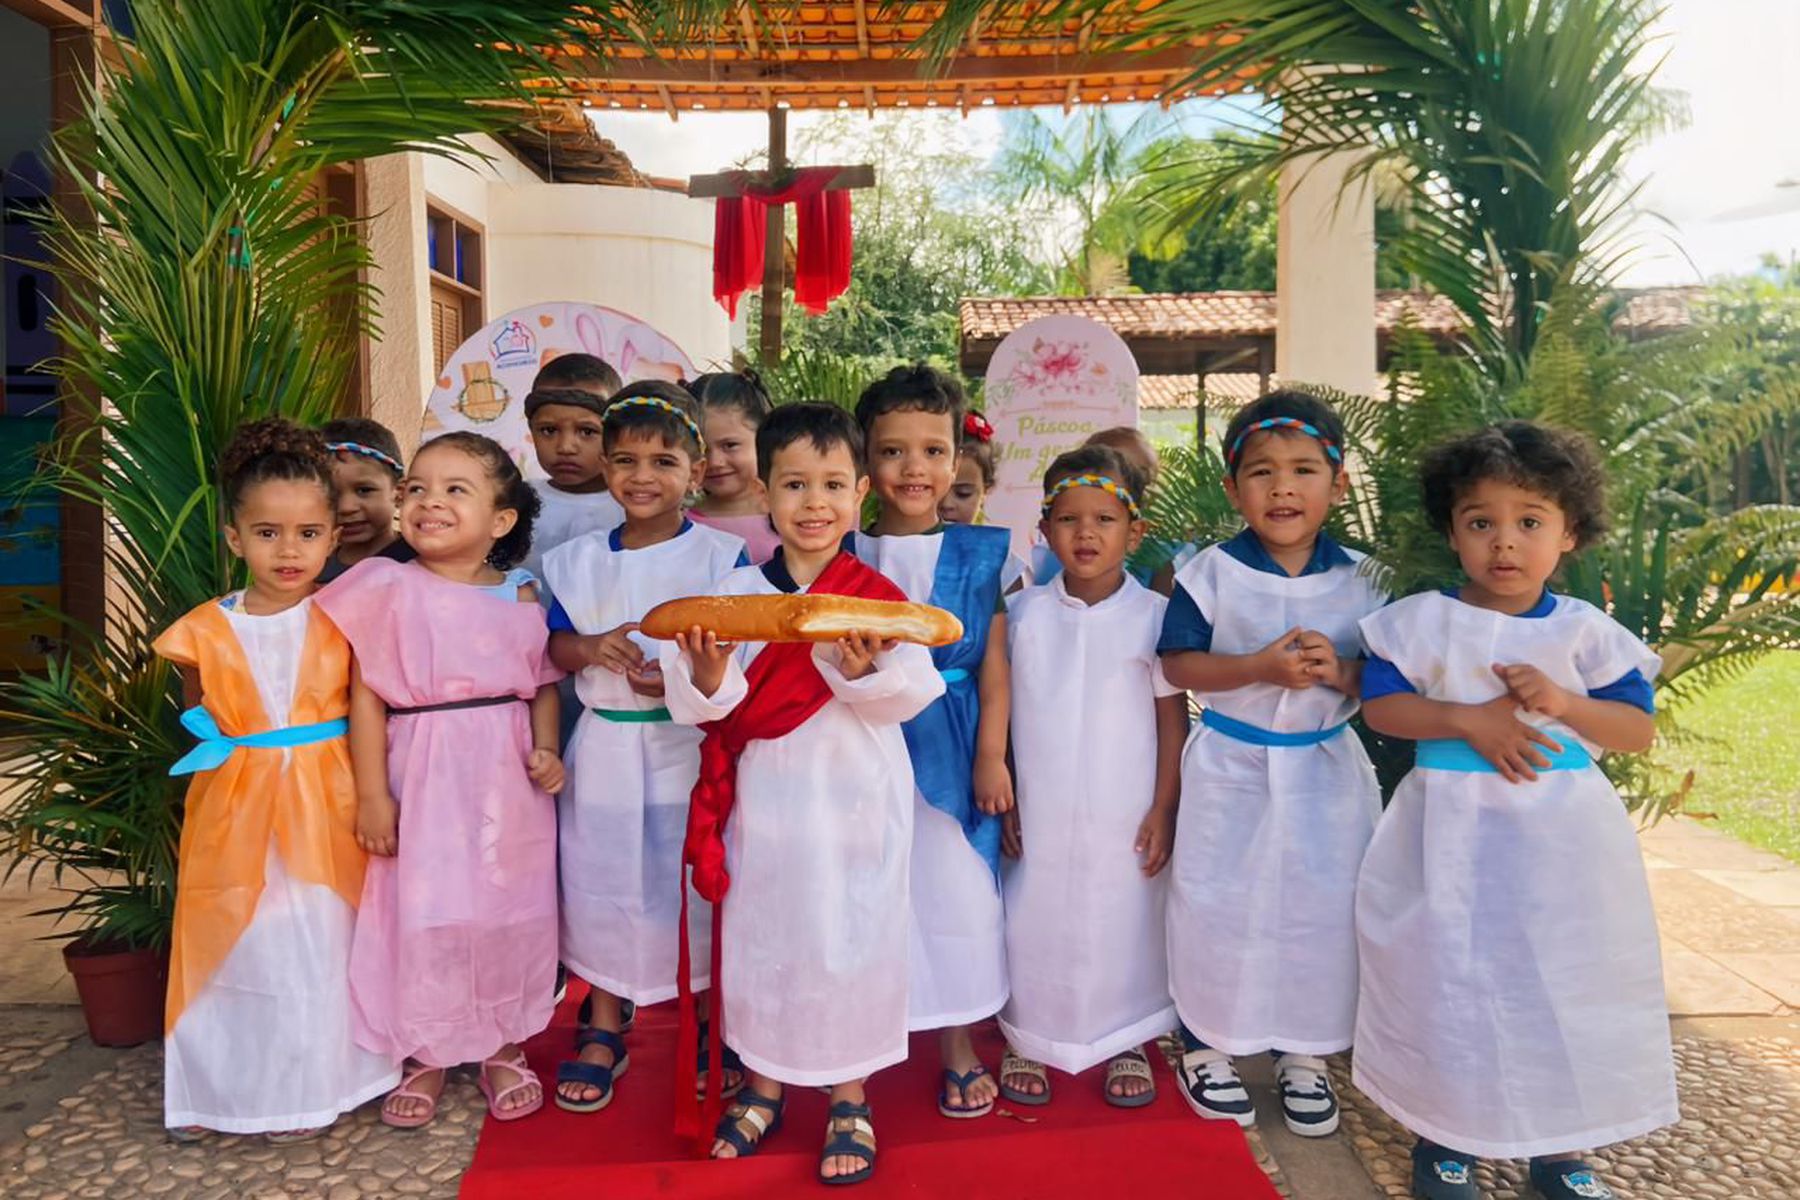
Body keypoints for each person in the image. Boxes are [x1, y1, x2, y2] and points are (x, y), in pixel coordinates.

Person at [1354, 421, 1676, 1200]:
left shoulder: (1587, 634)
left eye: (1529, 521)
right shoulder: (1423, 621)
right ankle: (1446, 1133)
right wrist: (1468, 719)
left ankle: (1562, 1143)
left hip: (1561, 842)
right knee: (1449, 975)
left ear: (1569, 532)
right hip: (1449, 835)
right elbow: (1384, 711)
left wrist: (1565, 700)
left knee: (1560, 978)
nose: (1505, 542)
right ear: (1453, 531)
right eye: (1481, 522)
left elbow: (1635, 730)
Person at [661, 402, 945, 1186]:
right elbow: (703, 704)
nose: (813, 503)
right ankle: (764, 1082)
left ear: (859, 494)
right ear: (764, 492)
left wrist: (863, 674)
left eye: (830, 485)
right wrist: (712, 676)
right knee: (766, 936)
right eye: (793, 484)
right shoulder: (733, 593)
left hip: (857, 798)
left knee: (852, 935)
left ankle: (849, 1091)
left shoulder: (875, 592)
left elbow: (914, 691)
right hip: (769, 801)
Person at [153, 419, 399, 1144]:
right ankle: (232, 1087)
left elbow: (370, 706)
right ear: (234, 538)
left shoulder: (345, 615)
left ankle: (319, 1084)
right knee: (239, 938)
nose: (287, 551)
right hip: (238, 801)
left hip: (329, 797)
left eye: (306, 533)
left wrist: (377, 795)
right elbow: (200, 711)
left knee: (322, 939)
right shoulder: (201, 629)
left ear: (331, 536)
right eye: (266, 533)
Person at [314, 432, 564, 1128]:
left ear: (502, 519)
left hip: (506, 778)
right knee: (425, 908)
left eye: (456, 490)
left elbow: (541, 681)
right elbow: (364, 696)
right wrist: (372, 794)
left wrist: (547, 747)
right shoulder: (384, 586)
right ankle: (424, 1048)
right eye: (417, 488)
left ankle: (503, 1041)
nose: (429, 502)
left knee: (509, 906)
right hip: (420, 765)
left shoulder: (520, 592)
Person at [1157, 391, 1387, 1137]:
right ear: (1232, 489)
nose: (1282, 488)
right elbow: (1180, 664)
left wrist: (1343, 674)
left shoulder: (1368, 579)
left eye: (1303, 470)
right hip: (1232, 768)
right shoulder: (1210, 574)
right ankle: (1209, 1044)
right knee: (1218, 904)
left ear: (1340, 482)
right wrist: (1257, 667)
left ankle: (1305, 1051)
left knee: (1322, 907)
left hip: (1327, 772)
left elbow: (1391, 683)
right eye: (1260, 472)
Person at [541, 381, 749, 1115]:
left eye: (663, 461)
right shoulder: (574, 561)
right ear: (604, 466)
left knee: (684, 883)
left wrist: (688, 676)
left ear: (695, 472)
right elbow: (552, 646)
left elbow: (740, 659)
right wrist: (587, 646)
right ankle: (603, 1020)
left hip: (688, 749)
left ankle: (702, 1021)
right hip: (604, 747)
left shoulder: (725, 561)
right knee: (600, 883)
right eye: (625, 459)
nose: (641, 476)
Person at [997, 446, 1186, 1110]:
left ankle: (1124, 1035)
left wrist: (1164, 807)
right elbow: (1006, 713)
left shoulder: (1157, 621)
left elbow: (1172, 726)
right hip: (1041, 803)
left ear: (1134, 531)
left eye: (1104, 519)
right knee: (1033, 910)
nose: (1086, 534)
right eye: (1068, 519)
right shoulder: (1020, 619)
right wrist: (1010, 795)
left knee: (1126, 913)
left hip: (1125, 804)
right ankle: (1033, 1033)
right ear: (1043, 530)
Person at [851, 364, 1013, 1122]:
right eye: (892, 451)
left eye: (932, 450)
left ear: (955, 459)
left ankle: (956, 1038)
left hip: (951, 735)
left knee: (953, 889)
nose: (914, 469)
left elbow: (994, 667)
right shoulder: (843, 547)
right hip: (862, 742)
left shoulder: (981, 554)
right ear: (865, 458)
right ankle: (859, 1035)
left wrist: (992, 757)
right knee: (869, 886)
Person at [519, 352, 625, 591]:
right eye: (548, 430)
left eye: (587, 431)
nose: (565, 447)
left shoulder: (631, 506)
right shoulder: (516, 501)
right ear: (531, 430)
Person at [686, 369, 781, 563]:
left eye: (730, 445)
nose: (714, 462)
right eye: (701, 449)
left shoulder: (792, 515)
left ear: (764, 438)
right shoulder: (681, 526)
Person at [937, 409, 1030, 592]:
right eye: (938, 491)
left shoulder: (1000, 563)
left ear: (986, 490)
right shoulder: (891, 551)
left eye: (963, 493)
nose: (947, 504)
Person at [316, 417, 414, 584]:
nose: (346, 508)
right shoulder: (313, 572)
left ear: (399, 493)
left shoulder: (422, 563)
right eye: (331, 493)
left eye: (364, 490)